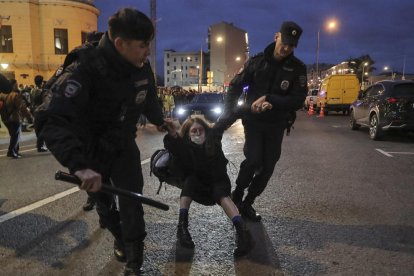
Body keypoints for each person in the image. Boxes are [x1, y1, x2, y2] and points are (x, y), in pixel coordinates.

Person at [40, 8, 165, 275]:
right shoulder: (85, 67)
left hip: (123, 146)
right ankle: (118, 235)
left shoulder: (140, 65)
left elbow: (149, 94)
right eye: (143, 46)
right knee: (104, 203)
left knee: (132, 201)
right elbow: (52, 119)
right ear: (120, 44)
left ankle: (134, 261)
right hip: (91, 152)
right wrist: (78, 166)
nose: (147, 52)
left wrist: (161, 119)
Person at [214, 21, 307, 222]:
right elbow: (235, 87)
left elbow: (298, 99)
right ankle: (238, 193)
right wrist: (230, 112)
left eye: (292, 45)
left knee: (269, 165)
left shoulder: (297, 69)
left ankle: (248, 203)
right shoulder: (256, 62)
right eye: (284, 42)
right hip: (254, 121)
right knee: (254, 158)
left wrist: (271, 100)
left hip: (276, 124)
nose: (286, 48)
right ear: (276, 36)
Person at [163, 117, 253, 257]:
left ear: (206, 130)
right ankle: (182, 228)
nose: (198, 133)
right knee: (190, 182)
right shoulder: (185, 147)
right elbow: (176, 149)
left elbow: (218, 171)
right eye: (194, 131)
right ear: (188, 134)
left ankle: (242, 233)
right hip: (198, 185)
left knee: (221, 194)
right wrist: (174, 134)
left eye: (200, 130)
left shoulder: (213, 142)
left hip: (217, 181)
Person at [0, 79, 34, 158]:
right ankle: (11, 152)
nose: (17, 85)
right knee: (15, 135)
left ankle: (15, 151)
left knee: (13, 135)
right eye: (16, 84)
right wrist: (30, 118)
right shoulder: (15, 95)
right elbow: (22, 108)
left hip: (5, 118)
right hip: (14, 118)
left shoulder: (2, 94)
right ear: (13, 85)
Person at [30, 75, 48, 152]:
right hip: (41, 111)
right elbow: (45, 102)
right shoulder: (42, 91)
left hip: (34, 110)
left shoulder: (32, 90)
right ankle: (40, 145)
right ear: (41, 82)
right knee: (43, 129)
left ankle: (39, 144)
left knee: (38, 129)